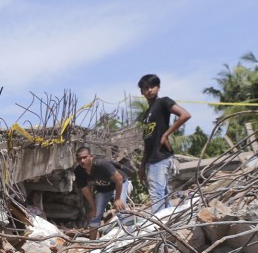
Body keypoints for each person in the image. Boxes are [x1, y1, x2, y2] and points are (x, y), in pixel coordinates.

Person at [137, 74, 190, 214]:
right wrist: (142, 166)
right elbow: (147, 142)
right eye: (145, 88)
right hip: (151, 160)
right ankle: (168, 226)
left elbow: (185, 115)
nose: (149, 90)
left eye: (152, 86)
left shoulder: (163, 102)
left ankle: (158, 227)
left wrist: (166, 134)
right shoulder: (146, 115)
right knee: (164, 196)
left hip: (160, 158)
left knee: (157, 197)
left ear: (158, 88)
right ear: (141, 92)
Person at [74, 146, 130, 239]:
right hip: (103, 189)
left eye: (85, 157)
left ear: (91, 156)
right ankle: (92, 243)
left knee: (120, 207)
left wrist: (117, 199)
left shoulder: (101, 164)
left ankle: (124, 237)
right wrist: (93, 207)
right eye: (79, 159)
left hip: (119, 183)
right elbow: (86, 191)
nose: (82, 161)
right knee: (94, 214)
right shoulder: (78, 171)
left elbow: (119, 178)